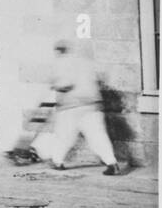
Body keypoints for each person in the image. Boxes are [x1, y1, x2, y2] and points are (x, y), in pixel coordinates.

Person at [12, 39, 128, 175]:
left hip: (72, 107)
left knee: (64, 137)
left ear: (59, 51)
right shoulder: (86, 63)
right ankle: (112, 163)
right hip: (93, 106)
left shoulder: (63, 62)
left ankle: (57, 162)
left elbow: (67, 84)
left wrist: (56, 85)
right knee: (98, 137)